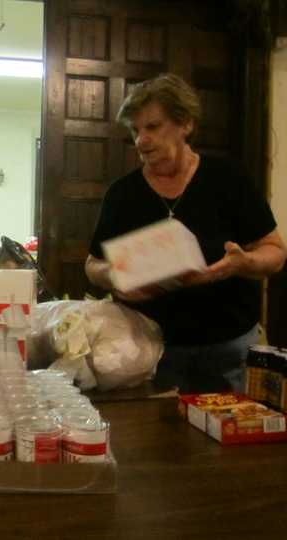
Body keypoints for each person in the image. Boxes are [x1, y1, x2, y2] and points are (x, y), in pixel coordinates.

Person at [85, 73, 287, 394]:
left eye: (152, 127)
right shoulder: (122, 194)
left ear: (186, 124)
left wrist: (242, 263)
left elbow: (275, 252)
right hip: (151, 353)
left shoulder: (229, 179)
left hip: (230, 350)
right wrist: (114, 275)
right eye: (135, 130)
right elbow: (92, 265)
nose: (140, 140)